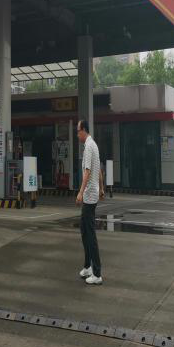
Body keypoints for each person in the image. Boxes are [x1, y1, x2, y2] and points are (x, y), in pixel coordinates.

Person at [76, 119, 104, 285]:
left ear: (83, 130)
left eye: (78, 131)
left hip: (88, 195)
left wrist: (80, 192)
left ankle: (97, 273)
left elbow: (87, 171)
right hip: (93, 193)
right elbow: (98, 169)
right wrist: (102, 187)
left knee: (90, 233)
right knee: (84, 230)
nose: (77, 134)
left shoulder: (88, 147)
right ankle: (87, 266)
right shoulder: (94, 145)